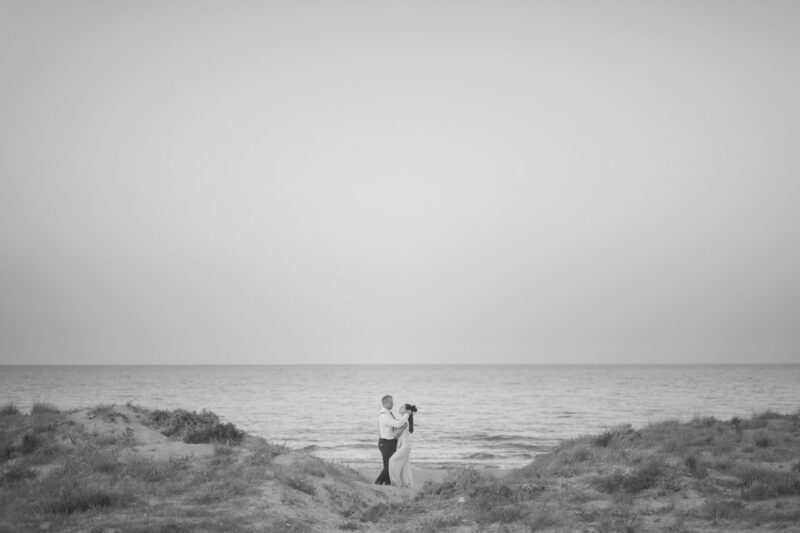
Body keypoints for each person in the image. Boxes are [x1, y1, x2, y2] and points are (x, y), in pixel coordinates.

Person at [374, 395, 408, 485]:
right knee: (389, 466)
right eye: (391, 402)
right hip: (386, 443)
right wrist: (407, 415)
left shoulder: (388, 414)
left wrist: (402, 425)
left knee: (389, 465)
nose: (393, 404)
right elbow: (397, 424)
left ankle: (387, 484)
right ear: (385, 403)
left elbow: (396, 424)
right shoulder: (384, 415)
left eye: (392, 402)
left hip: (390, 442)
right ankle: (377, 483)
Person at [389, 403, 417, 487]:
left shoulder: (404, 421)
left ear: (406, 411)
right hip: (405, 445)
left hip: (405, 446)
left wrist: (394, 431)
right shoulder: (404, 420)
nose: (400, 408)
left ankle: (396, 483)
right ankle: (408, 484)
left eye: (402, 407)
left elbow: (397, 435)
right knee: (405, 466)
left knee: (392, 460)